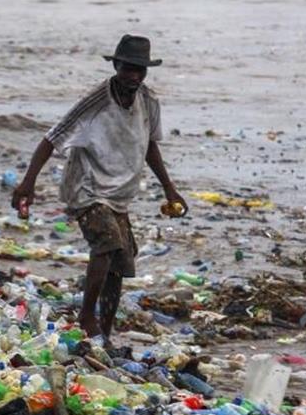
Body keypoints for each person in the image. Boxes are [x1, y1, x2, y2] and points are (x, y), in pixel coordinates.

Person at [11, 34, 187, 348]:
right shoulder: (97, 101)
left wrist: (170, 189)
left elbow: (149, 146)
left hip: (119, 193)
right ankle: (87, 316)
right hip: (87, 187)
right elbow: (52, 139)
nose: (133, 75)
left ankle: (103, 332)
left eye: (140, 70)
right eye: (128, 68)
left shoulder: (148, 101)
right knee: (107, 242)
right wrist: (28, 184)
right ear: (116, 65)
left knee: (121, 260)